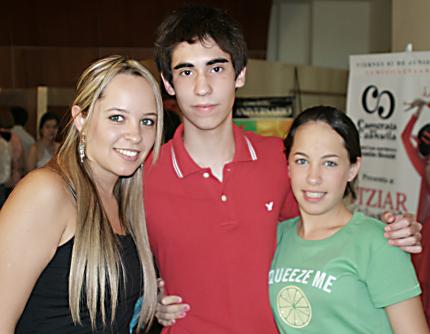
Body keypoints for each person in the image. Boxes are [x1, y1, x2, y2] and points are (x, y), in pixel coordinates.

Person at [146, 5, 422, 333]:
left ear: (241, 74)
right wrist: (152, 298)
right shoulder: (143, 177)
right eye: (187, 71)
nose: (203, 87)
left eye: (216, 68)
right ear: (168, 82)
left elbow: (328, 232)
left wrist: (394, 234)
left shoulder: (281, 160)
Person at [0, 55, 163, 333]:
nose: (135, 135)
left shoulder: (126, 201)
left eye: (147, 121)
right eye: (117, 118)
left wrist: (152, 302)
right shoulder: (46, 193)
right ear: (81, 120)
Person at [269, 106, 429, 333]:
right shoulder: (276, 237)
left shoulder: (379, 242)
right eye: (302, 161)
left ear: (353, 168)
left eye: (330, 163)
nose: (313, 178)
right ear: (288, 166)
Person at [403, 98, 430, 325]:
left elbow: (406, 136)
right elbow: (405, 137)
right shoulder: (423, 164)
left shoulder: (423, 164)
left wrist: (423, 109)